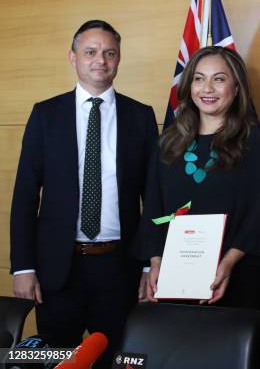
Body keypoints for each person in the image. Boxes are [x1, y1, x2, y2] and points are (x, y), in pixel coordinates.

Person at [10, 20, 158, 368]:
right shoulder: (46, 114)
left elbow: (153, 198)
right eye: (90, 52)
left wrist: (148, 265)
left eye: (110, 53)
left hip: (119, 268)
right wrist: (23, 267)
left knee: (118, 359)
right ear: (73, 57)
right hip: (58, 270)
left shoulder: (141, 116)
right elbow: (25, 195)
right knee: (57, 360)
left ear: (119, 59)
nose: (100, 60)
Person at [140, 46, 260, 312]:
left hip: (237, 278)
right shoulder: (167, 143)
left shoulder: (257, 143)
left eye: (219, 79)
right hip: (176, 278)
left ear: (237, 87)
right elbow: (153, 208)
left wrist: (228, 262)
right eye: (199, 78)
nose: (207, 88)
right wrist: (155, 262)